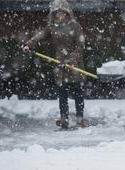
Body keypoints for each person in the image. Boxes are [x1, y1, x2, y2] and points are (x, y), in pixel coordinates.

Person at [22, 0, 86, 129]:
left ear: (67, 13)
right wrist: (28, 44)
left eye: (62, 12)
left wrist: (72, 60)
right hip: (59, 64)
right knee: (62, 93)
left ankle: (80, 119)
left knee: (78, 93)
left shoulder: (75, 26)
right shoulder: (52, 26)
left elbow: (80, 46)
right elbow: (40, 36)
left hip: (74, 65)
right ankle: (64, 118)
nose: (59, 15)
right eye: (57, 12)